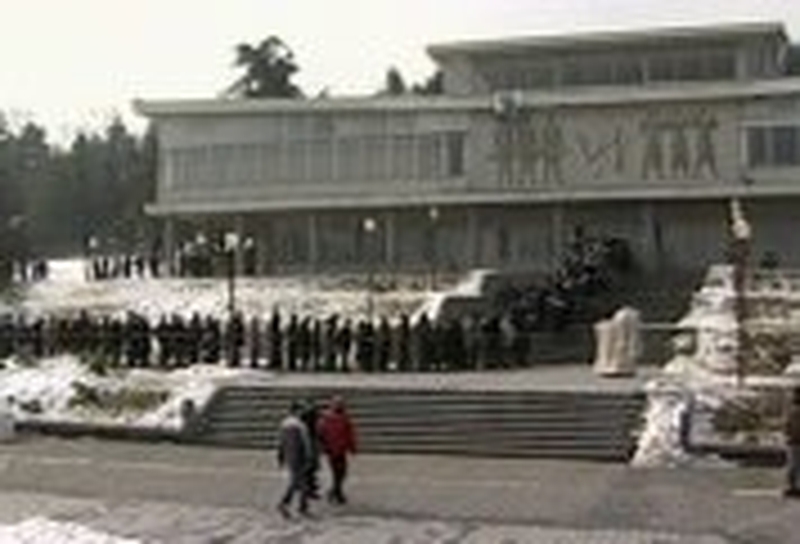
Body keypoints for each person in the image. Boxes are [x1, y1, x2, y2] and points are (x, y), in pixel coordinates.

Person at [317, 396, 357, 505]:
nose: (340, 406)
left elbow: (349, 433)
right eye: (338, 404)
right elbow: (321, 433)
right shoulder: (326, 418)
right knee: (337, 472)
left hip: (340, 449)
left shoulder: (344, 418)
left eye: (341, 404)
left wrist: (352, 447)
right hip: (332, 449)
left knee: (341, 473)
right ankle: (336, 493)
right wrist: (323, 446)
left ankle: (336, 491)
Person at [276, 400, 312, 518]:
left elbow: (281, 443)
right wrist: (309, 456)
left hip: (289, 456)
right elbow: (306, 443)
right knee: (298, 481)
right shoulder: (300, 426)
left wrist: (281, 457)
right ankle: (287, 503)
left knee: (298, 481)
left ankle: (302, 505)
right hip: (299, 456)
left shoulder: (283, 425)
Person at [784, 387, 800, 497]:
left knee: (793, 465)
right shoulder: (793, 410)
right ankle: (793, 486)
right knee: (793, 465)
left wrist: (788, 434)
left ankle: (793, 486)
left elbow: (787, 425)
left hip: (794, 441)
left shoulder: (792, 410)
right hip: (794, 441)